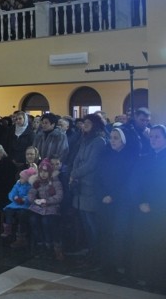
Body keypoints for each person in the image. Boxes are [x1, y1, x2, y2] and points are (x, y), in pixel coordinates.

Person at [130, 125, 166, 291]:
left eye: (157, 137)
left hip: (160, 211)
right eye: (151, 136)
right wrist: (140, 202)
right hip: (143, 209)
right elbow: (135, 183)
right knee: (144, 244)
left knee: (159, 246)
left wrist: (154, 205)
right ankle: (146, 276)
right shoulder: (145, 158)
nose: (153, 140)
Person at [69, 114, 107, 261]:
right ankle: (89, 249)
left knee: (92, 223)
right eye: (84, 122)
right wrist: (73, 173)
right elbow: (77, 159)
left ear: (95, 125)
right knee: (84, 221)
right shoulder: (84, 140)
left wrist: (74, 174)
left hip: (90, 185)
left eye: (88, 123)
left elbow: (91, 164)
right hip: (80, 186)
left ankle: (97, 252)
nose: (84, 125)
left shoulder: (99, 141)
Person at [99, 127, 133, 275]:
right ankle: (108, 263)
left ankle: (120, 263)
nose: (112, 141)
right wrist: (103, 194)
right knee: (107, 231)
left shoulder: (129, 157)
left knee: (120, 233)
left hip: (122, 202)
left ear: (123, 140)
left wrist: (113, 196)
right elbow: (100, 177)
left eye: (116, 138)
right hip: (106, 200)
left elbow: (128, 181)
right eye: (111, 137)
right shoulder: (107, 155)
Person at [28, 159, 64, 260]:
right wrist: (35, 200)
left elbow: (59, 196)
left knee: (46, 221)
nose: (43, 174)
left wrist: (47, 201)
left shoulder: (55, 182)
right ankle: (40, 243)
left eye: (46, 172)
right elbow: (30, 194)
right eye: (41, 172)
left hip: (52, 207)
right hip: (39, 207)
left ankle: (50, 245)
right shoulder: (37, 182)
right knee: (33, 220)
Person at [3, 167, 36, 246]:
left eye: (22, 178)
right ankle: (8, 228)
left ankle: (21, 235)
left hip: (25, 204)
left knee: (21, 214)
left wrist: (24, 199)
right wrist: (14, 197)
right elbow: (12, 193)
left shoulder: (31, 186)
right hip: (15, 203)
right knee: (8, 210)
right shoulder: (17, 184)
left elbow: (31, 196)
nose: (20, 179)